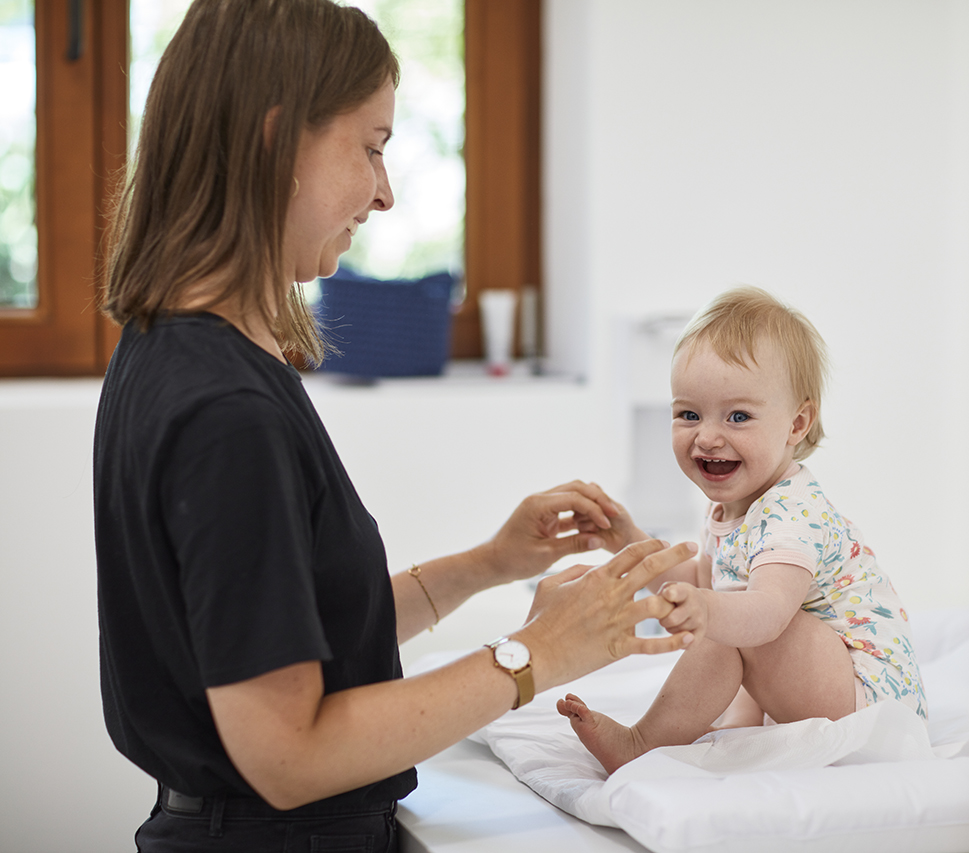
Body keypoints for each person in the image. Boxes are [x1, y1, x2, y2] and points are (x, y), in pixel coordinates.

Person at [93, 1, 694, 849]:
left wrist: (492, 563)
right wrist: (536, 655)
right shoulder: (226, 413)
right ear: (274, 142)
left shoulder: (172, 350)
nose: (385, 191)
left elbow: (295, 632)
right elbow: (288, 754)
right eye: (372, 148)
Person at [557, 286, 927, 774]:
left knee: (734, 618)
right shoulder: (735, 505)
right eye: (689, 413)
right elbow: (698, 584)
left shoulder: (793, 514)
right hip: (829, 687)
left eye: (738, 416)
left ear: (797, 423)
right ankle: (740, 720)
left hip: (871, 711)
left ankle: (641, 743)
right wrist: (626, 537)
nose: (707, 436)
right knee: (726, 607)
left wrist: (708, 609)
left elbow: (767, 614)